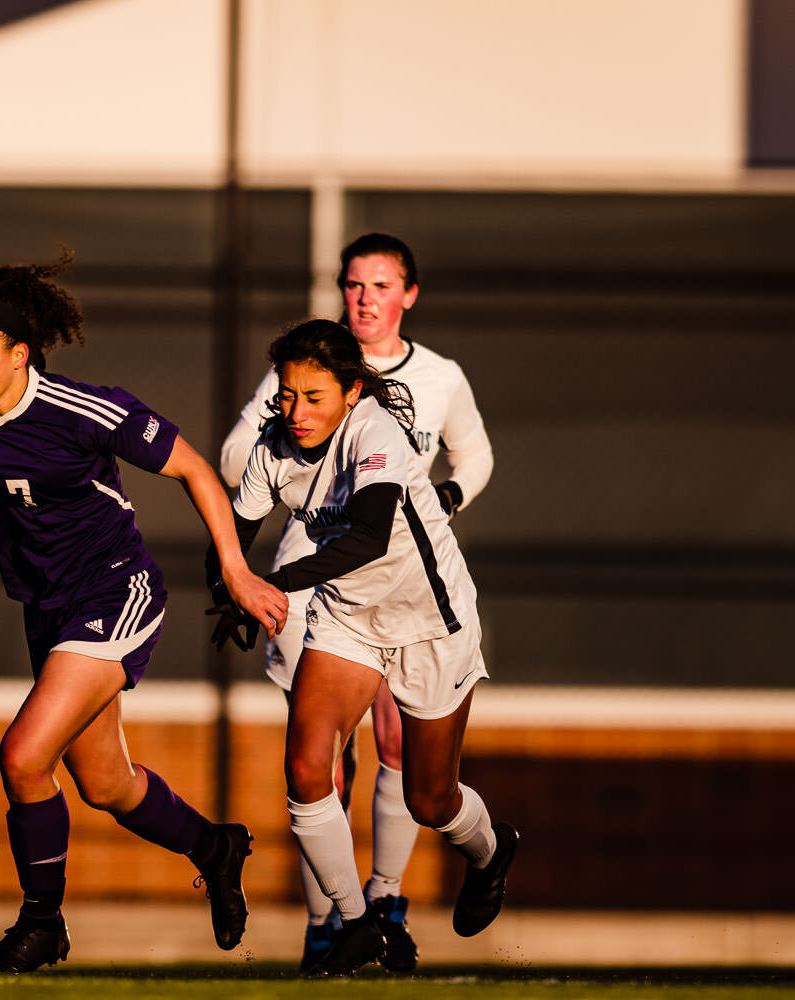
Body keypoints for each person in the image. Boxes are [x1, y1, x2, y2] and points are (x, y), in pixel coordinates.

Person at [0, 251, 288, 973]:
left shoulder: (82, 409)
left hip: (115, 591)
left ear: (17, 355)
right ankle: (215, 848)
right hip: (48, 609)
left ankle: (42, 925)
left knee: (22, 756)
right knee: (106, 785)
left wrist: (236, 570)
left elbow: (196, 469)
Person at [218, 232, 493, 971]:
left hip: (426, 616)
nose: (295, 411)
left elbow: (369, 536)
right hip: (342, 611)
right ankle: (352, 922)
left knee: (433, 796)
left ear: (351, 394)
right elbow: (239, 522)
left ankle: (490, 855)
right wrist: (228, 582)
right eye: (287, 397)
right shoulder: (279, 434)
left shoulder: (378, 427)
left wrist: (269, 585)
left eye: (312, 398)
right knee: (312, 767)